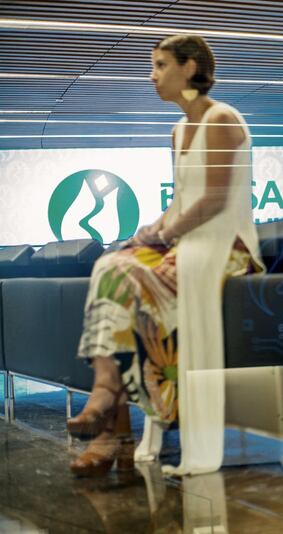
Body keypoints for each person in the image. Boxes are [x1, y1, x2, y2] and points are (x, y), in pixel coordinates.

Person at [67, 34, 264, 477]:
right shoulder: (178, 130)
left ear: (190, 68)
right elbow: (181, 200)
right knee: (110, 266)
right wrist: (149, 232)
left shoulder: (222, 118)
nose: (152, 76)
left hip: (226, 246)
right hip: (185, 242)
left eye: (160, 65)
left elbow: (214, 200)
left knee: (126, 276)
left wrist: (163, 235)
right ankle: (105, 389)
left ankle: (110, 410)